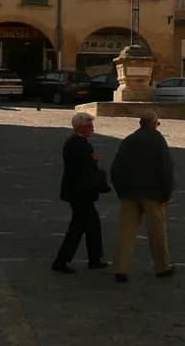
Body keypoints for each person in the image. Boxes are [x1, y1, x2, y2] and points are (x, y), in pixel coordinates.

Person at [110, 111, 176, 283]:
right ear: (153, 123)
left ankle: (121, 269)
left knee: (126, 233)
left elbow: (116, 168)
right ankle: (162, 267)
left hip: (129, 193)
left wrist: (121, 190)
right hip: (153, 194)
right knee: (157, 233)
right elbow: (165, 169)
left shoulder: (129, 140)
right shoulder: (157, 140)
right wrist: (167, 193)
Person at [54, 112, 108, 273]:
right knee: (79, 227)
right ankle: (62, 260)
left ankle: (94, 258)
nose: (92, 128)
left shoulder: (73, 143)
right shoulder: (81, 145)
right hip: (81, 193)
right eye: (90, 125)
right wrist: (94, 161)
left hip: (76, 191)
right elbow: (85, 169)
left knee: (91, 225)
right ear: (82, 127)